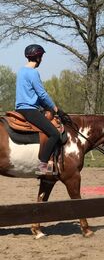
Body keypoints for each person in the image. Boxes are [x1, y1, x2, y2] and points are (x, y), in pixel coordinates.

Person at [15, 44, 64, 176]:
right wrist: (55, 108)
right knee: (54, 134)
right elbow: (42, 94)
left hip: (19, 109)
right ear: (37, 57)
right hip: (30, 110)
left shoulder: (20, 71)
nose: (41, 60)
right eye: (41, 57)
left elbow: (32, 94)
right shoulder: (33, 73)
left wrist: (46, 106)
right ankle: (43, 166)